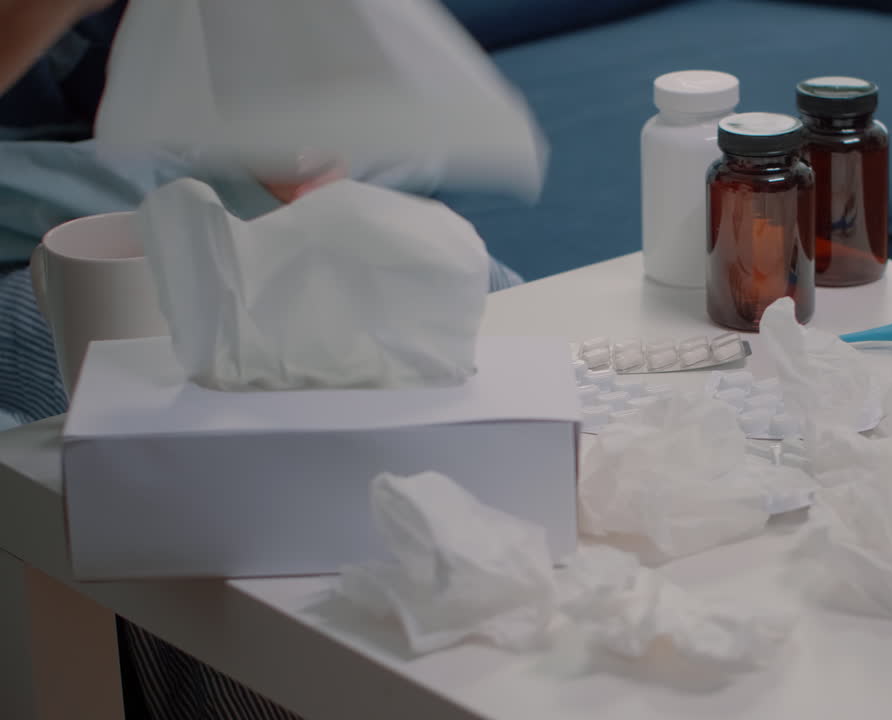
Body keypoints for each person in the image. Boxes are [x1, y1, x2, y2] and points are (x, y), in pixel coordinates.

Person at [0, 1, 522, 717]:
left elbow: (403, 119)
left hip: (216, 195)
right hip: (57, 237)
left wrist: (287, 144)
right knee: (176, 458)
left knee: (488, 307)